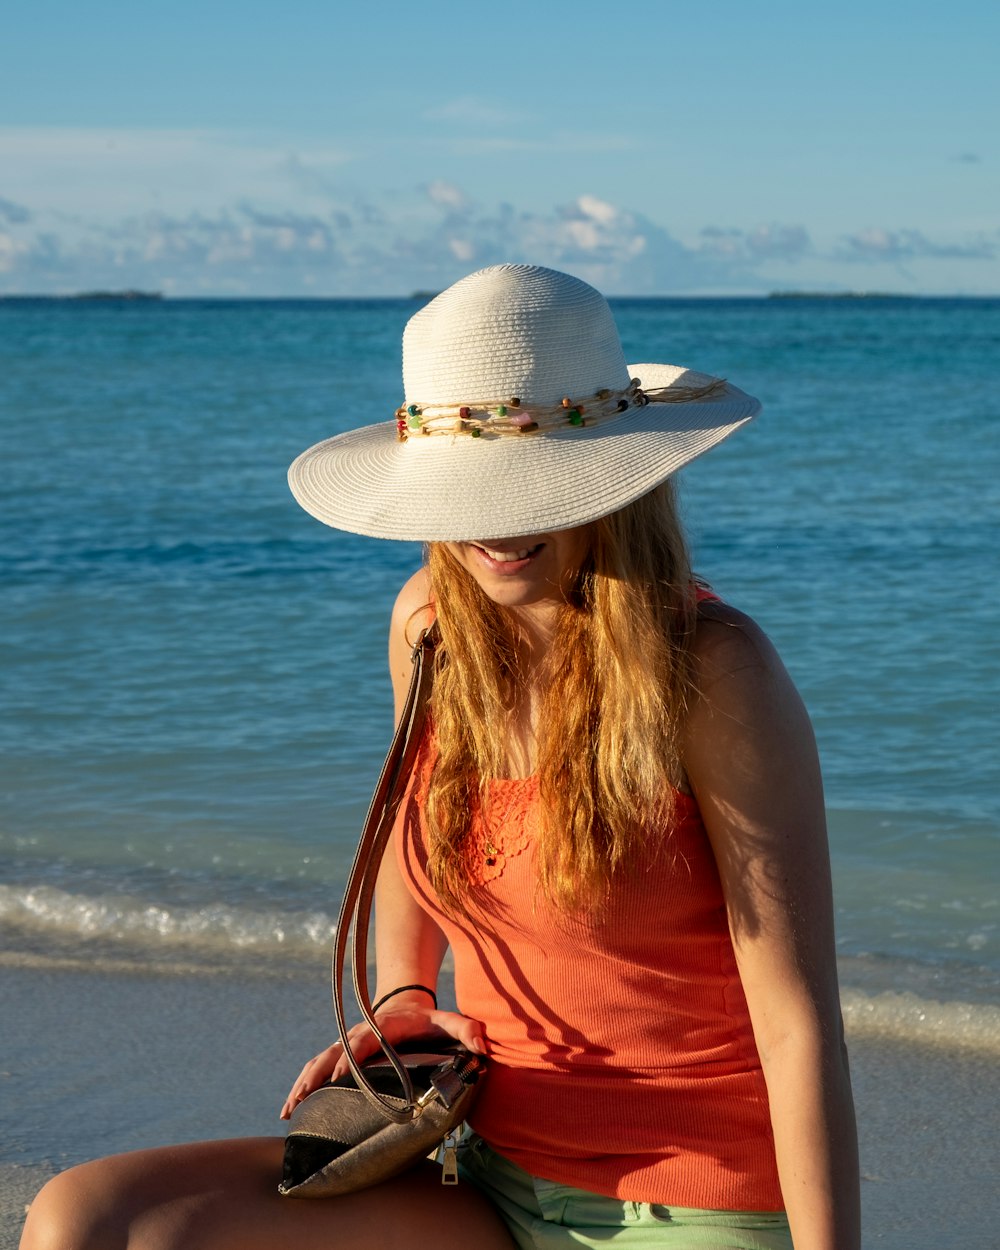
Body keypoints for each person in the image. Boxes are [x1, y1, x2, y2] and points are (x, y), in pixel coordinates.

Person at [21, 264, 860, 1250]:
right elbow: (412, 838)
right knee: (88, 1217)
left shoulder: (715, 672)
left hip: (695, 1202)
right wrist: (404, 1000)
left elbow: (797, 1020)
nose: (494, 525)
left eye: (532, 487)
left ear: (612, 482)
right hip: (484, 1181)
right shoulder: (428, 628)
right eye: (469, 490)